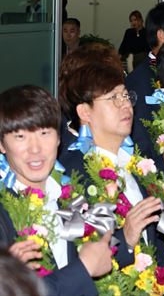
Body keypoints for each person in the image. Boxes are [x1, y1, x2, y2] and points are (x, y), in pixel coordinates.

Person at [0, 85, 113, 295]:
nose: (35, 149)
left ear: (59, 138)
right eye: (20, 137)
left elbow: (99, 258)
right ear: (2, 145)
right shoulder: (3, 211)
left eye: (44, 133)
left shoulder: (70, 197)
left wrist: (130, 237)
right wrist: (83, 269)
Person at [58, 63, 164, 270]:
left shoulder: (133, 162)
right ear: (85, 112)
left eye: (126, 96)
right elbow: (79, 259)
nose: (125, 105)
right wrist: (125, 238)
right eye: (113, 98)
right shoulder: (73, 174)